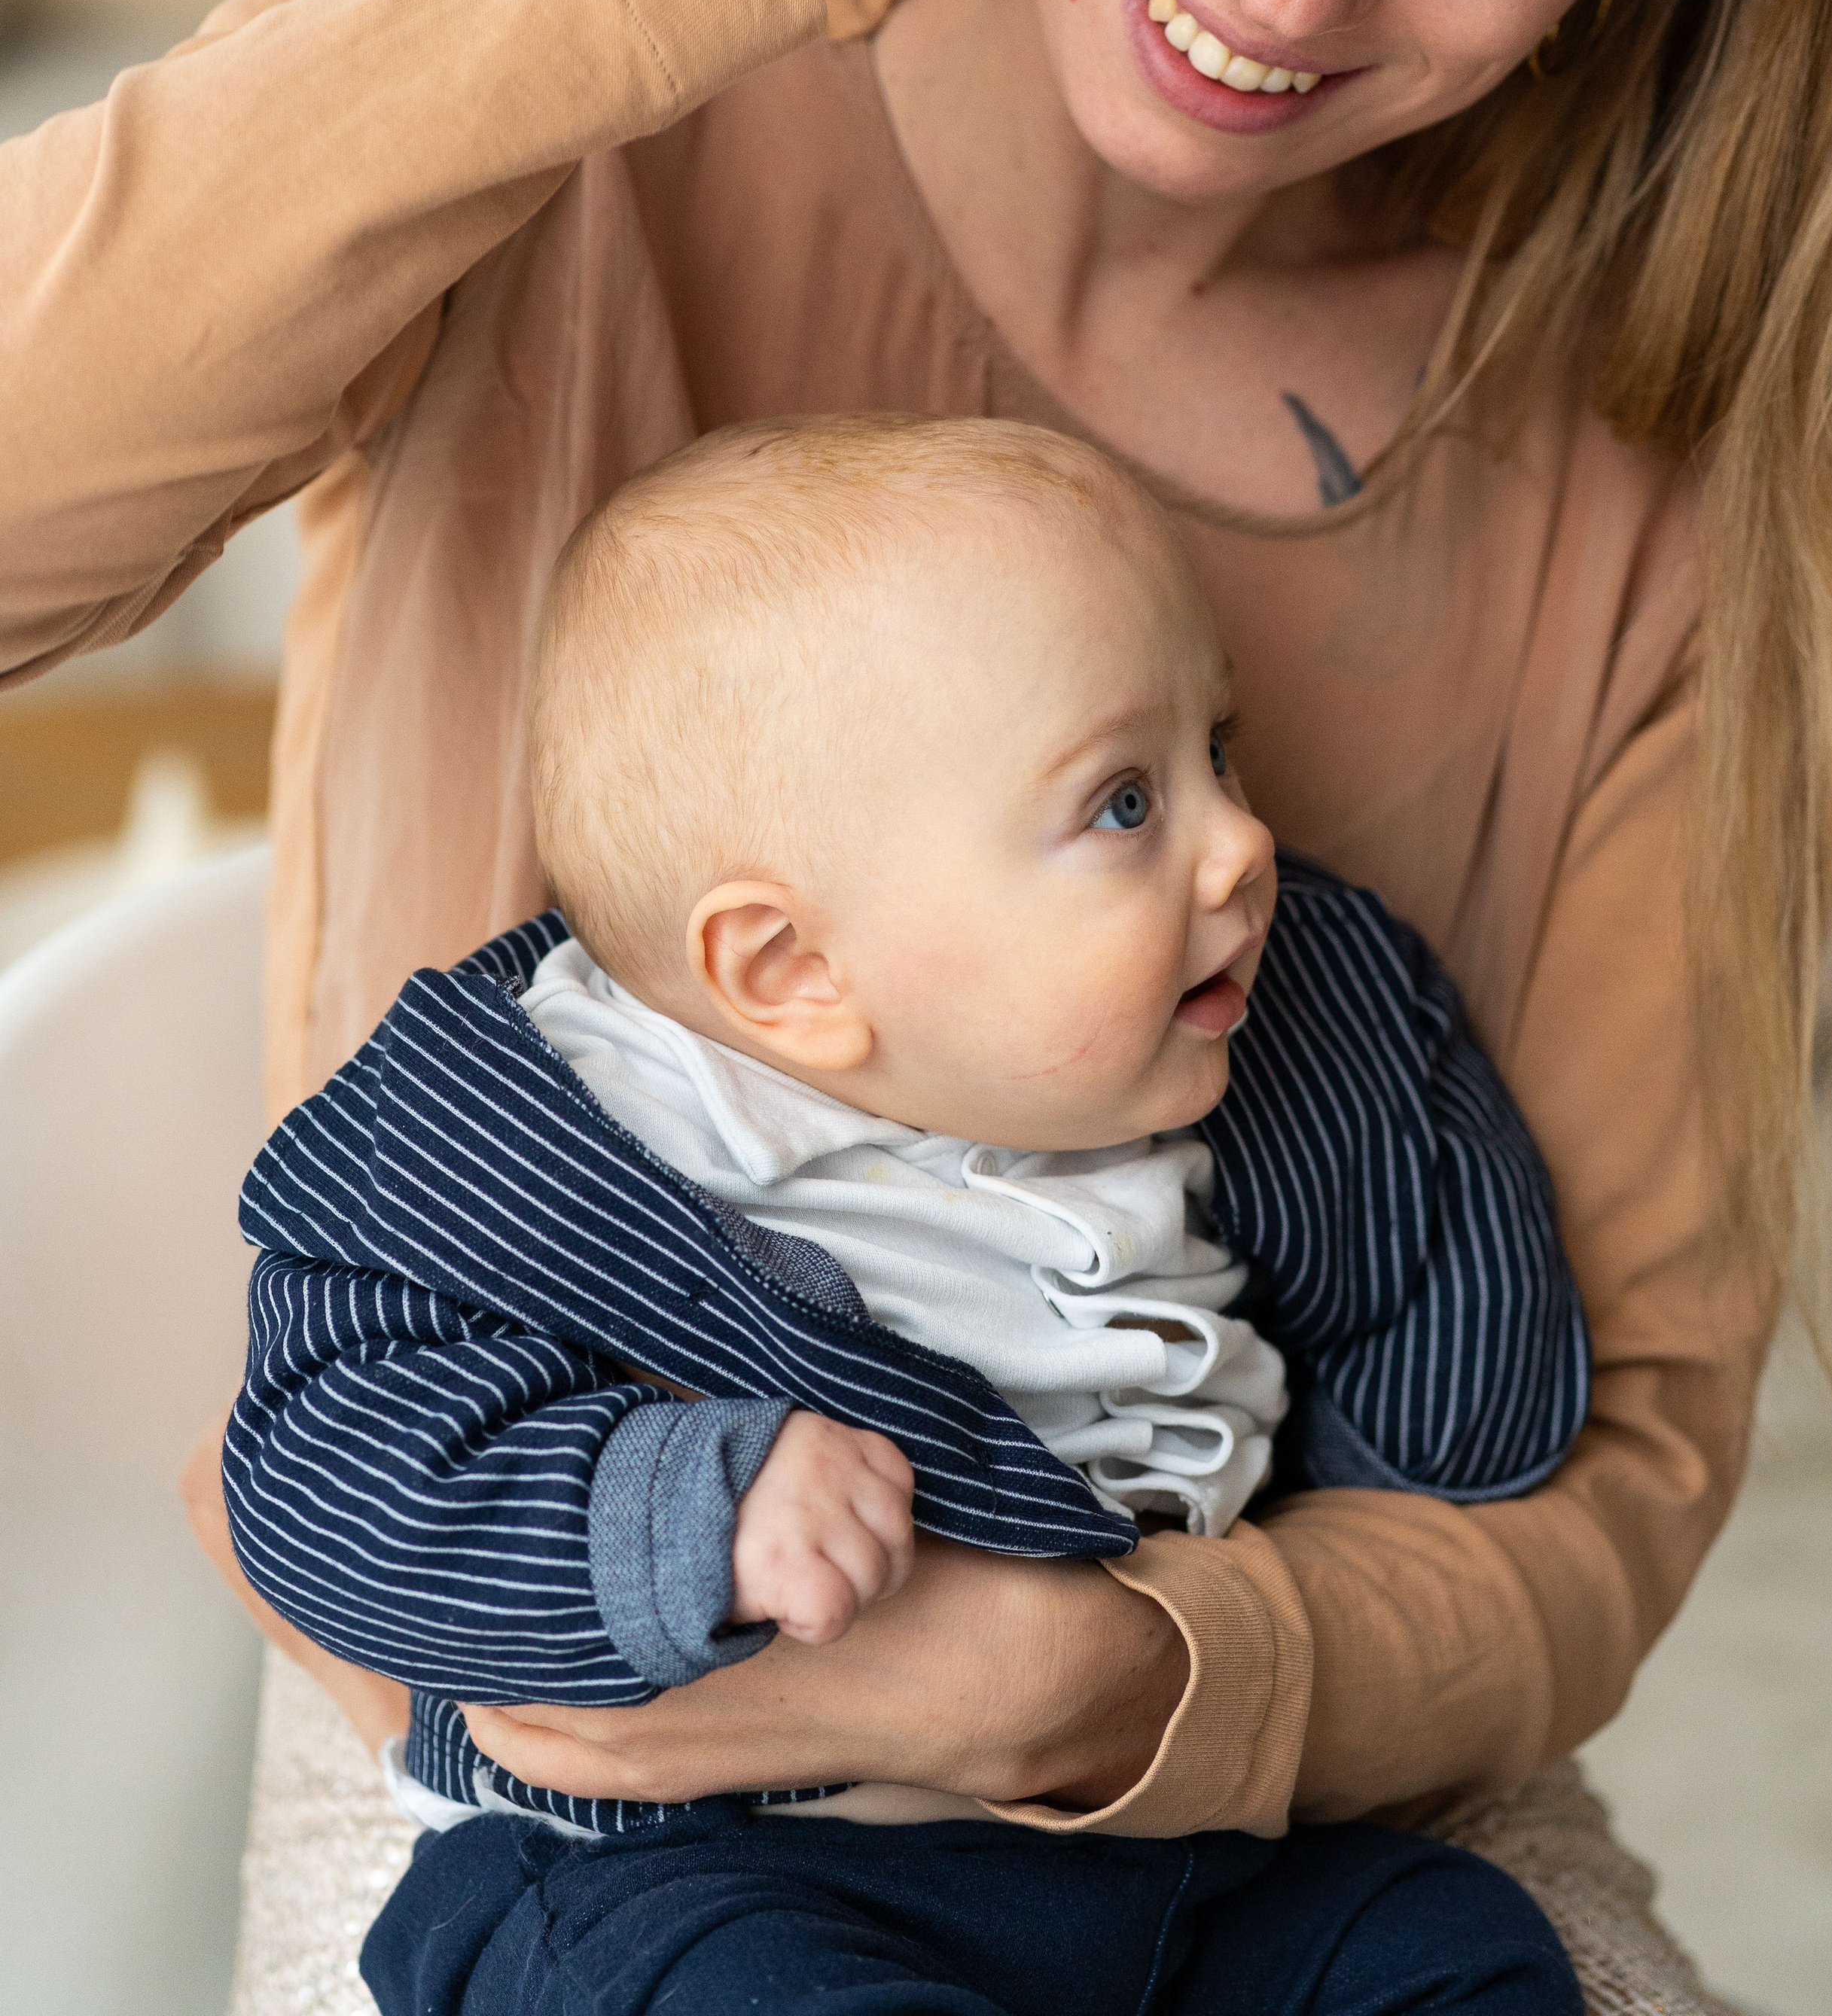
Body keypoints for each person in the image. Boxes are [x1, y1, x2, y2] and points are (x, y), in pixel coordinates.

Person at [5, 0, 1832, 1967]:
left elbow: (1607, 1467)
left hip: (1294, 1751)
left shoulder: (1640, 448)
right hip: (553, 1751)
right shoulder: (593, 24)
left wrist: (1098, 1687)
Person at [224, 416, 1587, 2014]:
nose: (1242, 844)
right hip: (702, 1868)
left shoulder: (1241, 1058)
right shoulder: (522, 1141)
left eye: (1220, 751)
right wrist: (677, 1504)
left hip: (1156, 1841)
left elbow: (1464, 1419)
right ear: (792, 973)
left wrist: (1387, 1062)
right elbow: (326, 1461)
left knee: (1447, 1945)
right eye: (1123, 806)